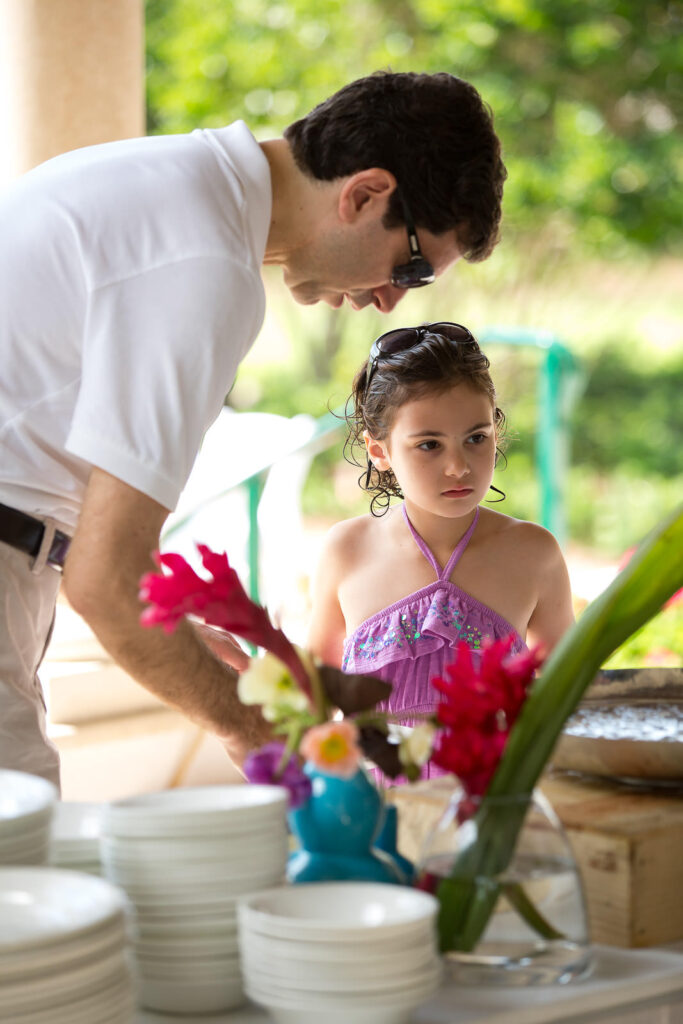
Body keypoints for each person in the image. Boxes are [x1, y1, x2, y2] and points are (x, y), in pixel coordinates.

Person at [0, 71, 506, 788]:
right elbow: (108, 583)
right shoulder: (205, 263)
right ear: (363, 194)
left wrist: (182, 644)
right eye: (412, 266)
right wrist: (254, 734)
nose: (392, 299)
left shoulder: (165, 181)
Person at [307, 322, 574, 776]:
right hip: (372, 820)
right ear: (380, 451)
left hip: (491, 818)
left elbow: (566, 702)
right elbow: (311, 705)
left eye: (476, 438)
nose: (458, 467)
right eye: (428, 445)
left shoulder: (534, 555)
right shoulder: (346, 551)